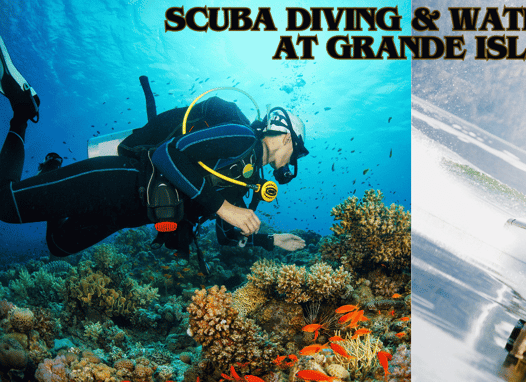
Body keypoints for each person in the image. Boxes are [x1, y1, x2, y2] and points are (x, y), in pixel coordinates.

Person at [0, 34, 306, 264]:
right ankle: (23, 111)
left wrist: (269, 240)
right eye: (296, 151)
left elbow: (227, 235)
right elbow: (167, 154)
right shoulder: (241, 137)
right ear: (286, 138)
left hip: (124, 215)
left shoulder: (247, 180)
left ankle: (50, 169)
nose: (292, 160)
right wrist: (226, 208)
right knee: (4, 204)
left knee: (57, 244)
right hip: (121, 181)